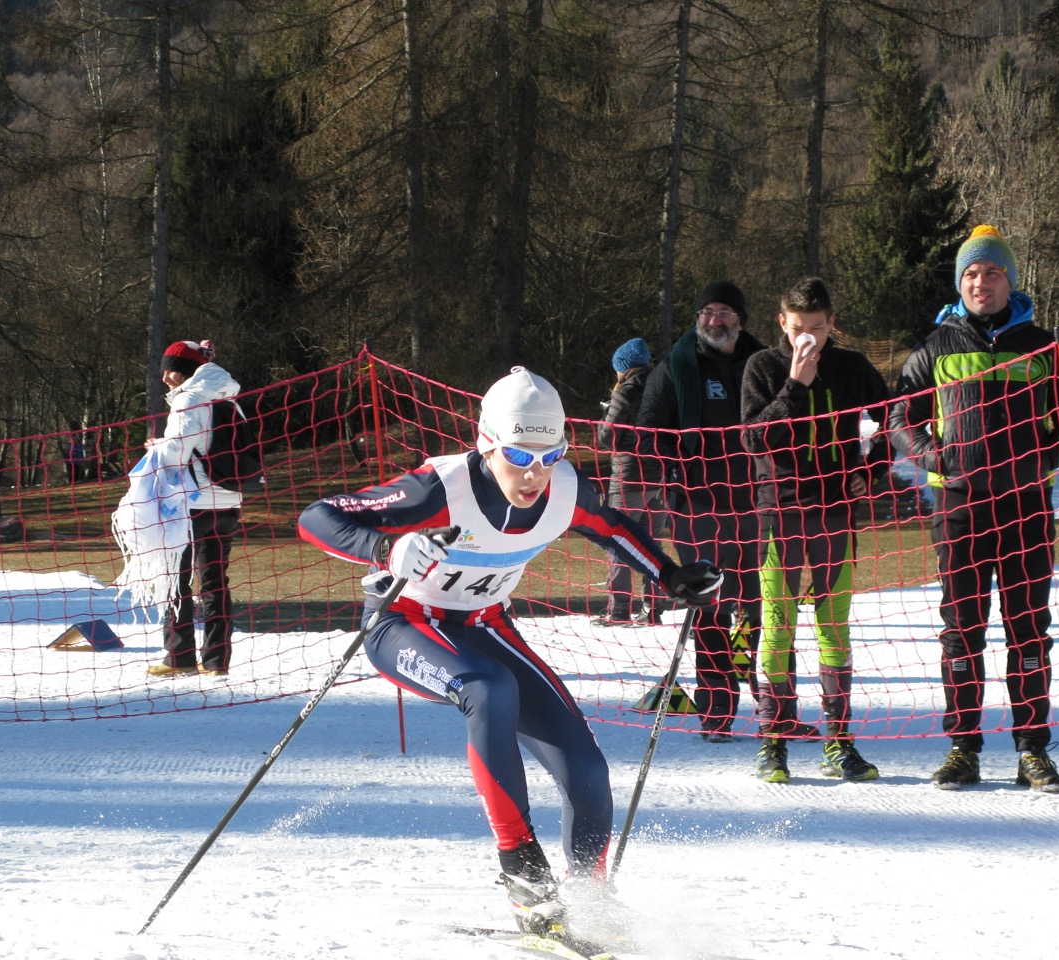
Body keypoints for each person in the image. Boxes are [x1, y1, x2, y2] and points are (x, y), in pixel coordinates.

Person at [297, 367, 721, 937]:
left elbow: (612, 528)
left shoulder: (563, 488)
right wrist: (384, 548)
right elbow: (316, 517)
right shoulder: (439, 488)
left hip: (484, 625)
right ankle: (525, 880)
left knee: (587, 769)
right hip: (403, 623)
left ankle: (590, 901)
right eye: (520, 458)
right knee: (487, 689)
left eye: (550, 456)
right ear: (488, 443)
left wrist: (669, 576)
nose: (535, 474)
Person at [887, 225, 1059, 792]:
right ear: (960, 283)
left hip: (1025, 509)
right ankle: (962, 748)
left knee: (1029, 631)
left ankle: (1032, 751)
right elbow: (901, 421)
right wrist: (934, 456)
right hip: (959, 509)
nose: (981, 282)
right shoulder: (934, 347)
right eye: (971, 273)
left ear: (1010, 281)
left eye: (992, 272)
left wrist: (1038, 458)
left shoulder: (1044, 347)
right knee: (961, 631)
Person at [741, 277, 891, 783]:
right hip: (778, 519)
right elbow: (753, 438)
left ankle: (839, 743)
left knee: (834, 629)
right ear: (782, 322)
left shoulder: (850, 366)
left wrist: (874, 468)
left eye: (819, 328)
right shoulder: (762, 366)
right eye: (799, 327)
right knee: (778, 630)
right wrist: (796, 383)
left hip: (836, 517)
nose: (809, 337)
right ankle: (773, 742)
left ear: (832, 323)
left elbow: (890, 413)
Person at [637, 280, 766, 742]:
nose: (715, 320)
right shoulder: (675, 368)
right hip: (697, 508)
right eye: (707, 312)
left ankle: (770, 704)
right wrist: (670, 476)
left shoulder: (764, 363)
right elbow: (647, 431)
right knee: (710, 610)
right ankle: (717, 713)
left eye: (724, 312)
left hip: (754, 505)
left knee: (755, 609)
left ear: (741, 319)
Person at [145, 339, 244, 678]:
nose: (164, 378)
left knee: (177, 581)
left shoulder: (190, 399)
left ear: (185, 371)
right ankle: (217, 662)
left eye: (168, 370)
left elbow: (177, 452)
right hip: (229, 502)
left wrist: (157, 446)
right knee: (216, 583)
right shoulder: (229, 397)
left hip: (194, 504)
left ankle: (179, 657)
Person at [594, 337, 667, 626]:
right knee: (653, 545)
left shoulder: (624, 392)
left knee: (619, 542)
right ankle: (653, 609)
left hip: (628, 478)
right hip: (659, 477)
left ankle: (619, 609)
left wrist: (605, 412)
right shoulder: (662, 390)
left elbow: (606, 437)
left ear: (623, 367)